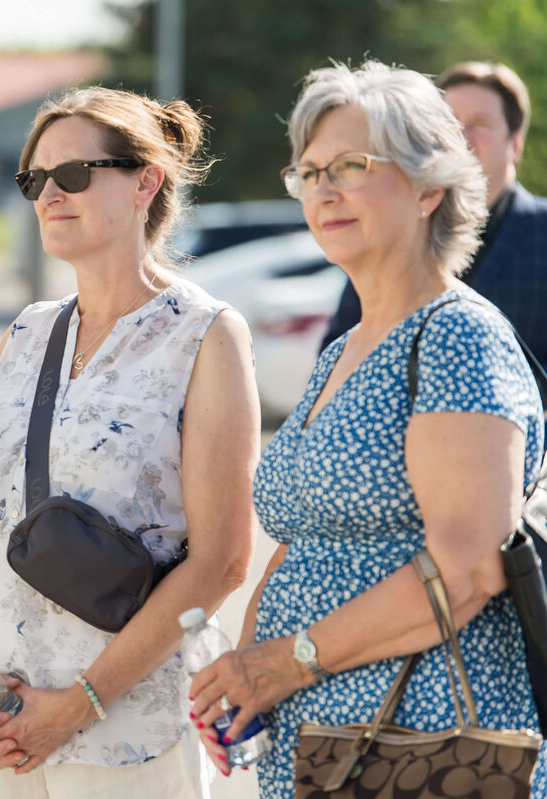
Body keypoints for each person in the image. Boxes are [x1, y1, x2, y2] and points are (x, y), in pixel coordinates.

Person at [190, 61, 545, 798]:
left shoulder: (457, 337)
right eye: (310, 170)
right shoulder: (349, 346)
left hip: (424, 745)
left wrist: (288, 659)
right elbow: (304, 537)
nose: (324, 188)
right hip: (316, 741)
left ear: (429, 187)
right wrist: (250, 676)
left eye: (352, 165)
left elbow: (470, 567)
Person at [0, 85, 259, 797]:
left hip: (128, 734)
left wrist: (77, 703)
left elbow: (223, 560)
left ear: (146, 181)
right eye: (34, 179)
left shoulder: (203, 333)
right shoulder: (26, 332)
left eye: (73, 174)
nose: (49, 193)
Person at [319, 61, 547, 367]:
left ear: (515, 144)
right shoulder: (399, 226)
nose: (462, 136)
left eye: (479, 123)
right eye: (450, 122)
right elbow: (339, 348)